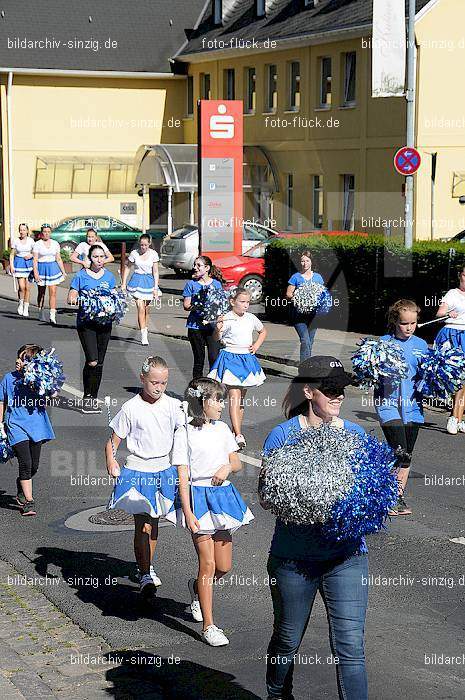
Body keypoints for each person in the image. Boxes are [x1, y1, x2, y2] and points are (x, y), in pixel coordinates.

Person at [260, 356, 368, 700]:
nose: (338, 397)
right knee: (288, 638)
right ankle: (277, 695)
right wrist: (305, 496)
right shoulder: (284, 435)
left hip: (346, 556)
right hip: (295, 558)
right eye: (330, 389)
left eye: (342, 390)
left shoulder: (355, 434)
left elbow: (369, 491)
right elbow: (266, 497)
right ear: (308, 391)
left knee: (351, 646)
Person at [170, 377, 253, 646]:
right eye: (217, 400)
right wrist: (187, 511)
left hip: (223, 497)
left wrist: (226, 468)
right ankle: (209, 626)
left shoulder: (223, 430)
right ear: (201, 402)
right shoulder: (184, 432)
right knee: (206, 564)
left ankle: (197, 588)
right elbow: (182, 475)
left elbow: (236, 463)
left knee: (224, 567)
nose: (221, 405)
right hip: (198, 498)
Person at [106, 356, 183, 599]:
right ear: (142, 378)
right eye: (154, 382)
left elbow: (189, 432)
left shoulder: (173, 405)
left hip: (163, 469)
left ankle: (147, 565)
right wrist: (111, 459)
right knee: (144, 523)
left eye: (163, 382)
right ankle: (144, 572)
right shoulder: (131, 408)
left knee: (155, 521)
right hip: (138, 470)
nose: (159, 387)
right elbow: (112, 442)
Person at [374, 299, 428, 516]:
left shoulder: (422, 345)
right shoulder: (383, 343)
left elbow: (427, 376)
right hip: (388, 405)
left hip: (413, 407)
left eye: (413, 323)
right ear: (395, 321)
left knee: (406, 455)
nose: (409, 328)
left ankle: (396, 496)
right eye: (404, 323)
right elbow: (370, 373)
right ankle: (388, 496)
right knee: (399, 450)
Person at [0, 344, 55, 516]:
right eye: (19, 357)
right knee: (25, 462)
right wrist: (0, 424)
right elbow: (1, 401)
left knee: (34, 466)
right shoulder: (8, 378)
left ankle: (21, 485)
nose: (18, 361)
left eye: (24, 359)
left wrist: (35, 379)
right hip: (15, 425)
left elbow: (51, 395)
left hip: (36, 426)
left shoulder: (39, 380)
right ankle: (29, 503)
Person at [209, 287, 267, 449]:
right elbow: (216, 339)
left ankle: (236, 433)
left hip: (246, 359)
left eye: (248, 302)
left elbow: (263, 331)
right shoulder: (227, 318)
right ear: (232, 302)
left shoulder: (251, 318)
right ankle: (239, 434)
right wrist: (217, 329)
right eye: (242, 302)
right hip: (230, 358)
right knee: (234, 396)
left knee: (240, 399)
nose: (245, 305)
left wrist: (256, 345)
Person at [67, 244, 117, 414]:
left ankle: (92, 398)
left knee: (100, 363)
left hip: (104, 324)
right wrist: (86, 300)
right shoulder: (81, 276)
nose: (99, 260)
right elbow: (71, 298)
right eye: (95, 257)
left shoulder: (109, 277)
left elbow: (115, 297)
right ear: (89, 258)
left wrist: (114, 304)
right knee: (92, 361)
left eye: (102, 256)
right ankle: (87, 397)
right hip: (86, 323)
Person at [182, 255, 225, 378]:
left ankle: (214, 388)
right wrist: (198, 305)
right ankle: (197, 389)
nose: (195, 268)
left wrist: (220, 324)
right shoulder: (191, 284)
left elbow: (221, 305)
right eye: (194, 265)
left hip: (212, 327)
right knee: (199, 360)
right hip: (195, 327)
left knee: (214, 358)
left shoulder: (216, 284)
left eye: (198, 265)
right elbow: (186, 305)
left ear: (207, 268)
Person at [435, 265, 465, 434]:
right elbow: (439, 314)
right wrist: (448, 314)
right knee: (457, 378)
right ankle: (453, 417)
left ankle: (459, 419)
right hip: (453, 335)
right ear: (460, 276)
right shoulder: (452, 294)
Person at [286, 250, 325, 362]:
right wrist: (299, 299)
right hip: (299, 315)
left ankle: (307, 366)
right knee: (305, 340)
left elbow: (323, 293)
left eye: (307, 261)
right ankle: (304, 368)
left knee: (310, 342)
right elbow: (288, 294)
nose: (305, 263)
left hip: (313, 316)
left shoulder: (318, 277)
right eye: (302, 261)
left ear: (311, 262)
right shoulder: (296, 277)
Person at [121, 233, 160, 346]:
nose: (143, 247)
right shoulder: (134, 253)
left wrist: (156, 288)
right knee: (141, 308)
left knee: (146, 309)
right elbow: (128, 267)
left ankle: (145, 329)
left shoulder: (153, 254)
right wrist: (123, 283)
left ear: (149, 244)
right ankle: (143, 335)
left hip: (149, 282)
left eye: (145, 245)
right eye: (141, 245)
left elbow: (156, 272)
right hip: (136, 282)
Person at [32, 224, 67, 324]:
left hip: (53, 269)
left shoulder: (55, 243)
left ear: (50, 233)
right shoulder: (37, 244)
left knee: (53, 292)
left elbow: (58, 259)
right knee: (41, 292)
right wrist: (36, 273)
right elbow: (35, 259)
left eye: (48, 232)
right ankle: (41, 311)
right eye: (44, 232)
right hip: (42, 268)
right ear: (42, 233)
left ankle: (52, 315)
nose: (46, 234)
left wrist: (63, 271)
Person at [9, 223, 34, 317]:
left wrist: (30, 255)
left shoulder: (31, 241)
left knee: (28, 288)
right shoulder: (16, 241)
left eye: (24, 230)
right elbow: (12, 254)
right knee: (22, 286)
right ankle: (20, 303)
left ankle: (26, 307)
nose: (22, 232)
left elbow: (35, 253)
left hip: (29, 264)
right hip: (19, 263)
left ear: (27, 231)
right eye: (20, 230)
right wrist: (11, 266)